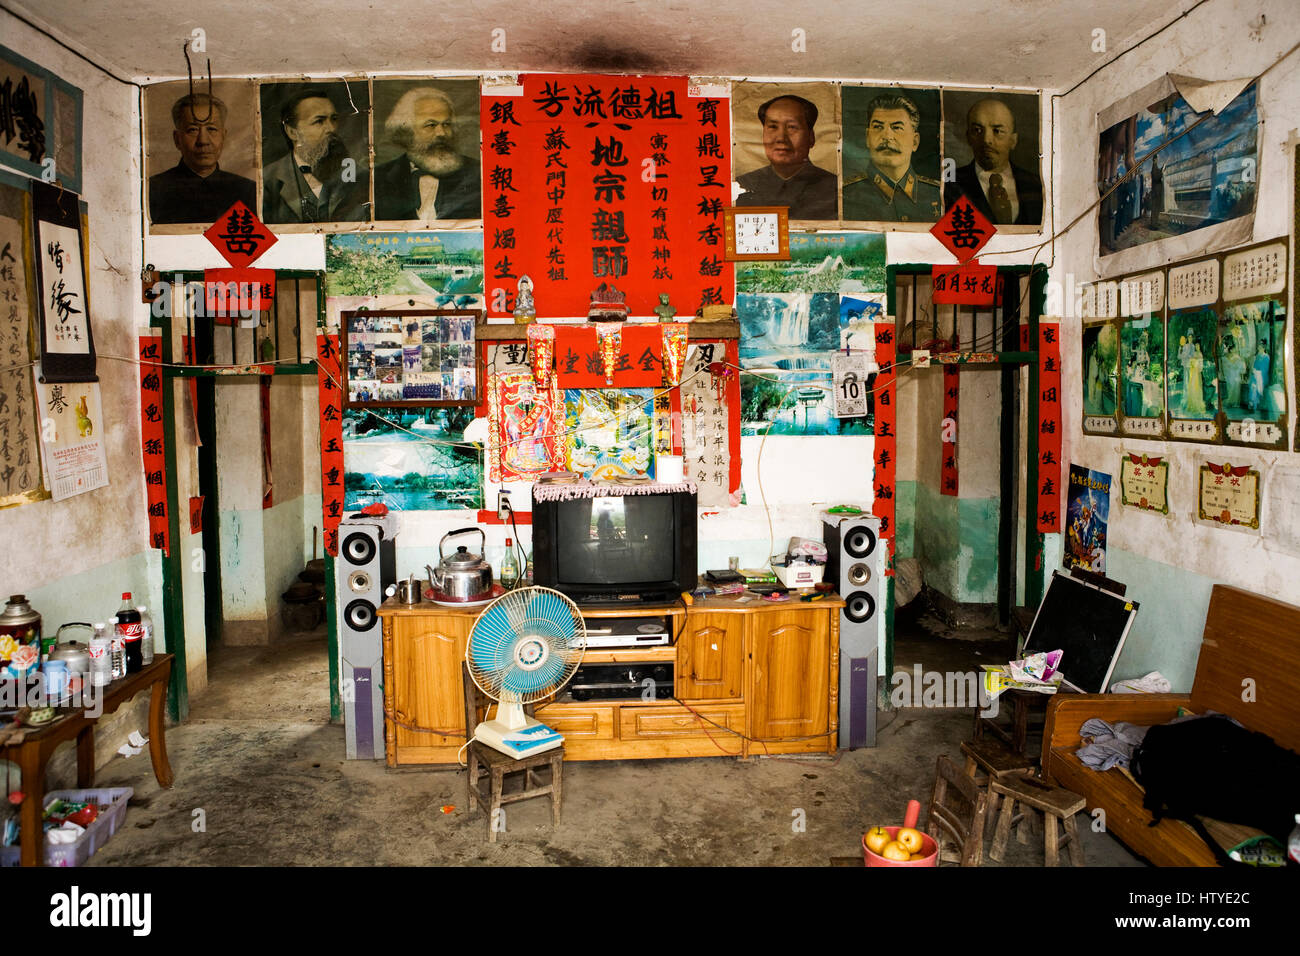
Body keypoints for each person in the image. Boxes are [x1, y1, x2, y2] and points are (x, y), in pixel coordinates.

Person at [262, 88, 368, 223]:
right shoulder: (267, 181)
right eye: (319, 121)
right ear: (292, 132)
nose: (331, 128)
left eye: (334, 119)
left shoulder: (359, 176)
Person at [374, 87, 480, 221]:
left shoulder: (478, 173)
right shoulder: (377, 180)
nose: (441, 133)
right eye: (431, 125)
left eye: (446, 124)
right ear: (407, 131)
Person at [148, 93, 256, 224]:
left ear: (224, 136)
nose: (203, 141)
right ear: (177, 139)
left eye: (211, 129)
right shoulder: (153, 190)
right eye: (193, 130)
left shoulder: (247, 191)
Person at [735, 95, 837, 220]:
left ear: (811, 137)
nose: (781, 138)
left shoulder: (834, 189)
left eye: (792, 127)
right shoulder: (742, 185)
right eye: (773, 127)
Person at [943, 97, 1043, 225]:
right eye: (977, 130)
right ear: (968, 137)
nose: (986, 140)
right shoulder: (948, 186)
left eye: (998, 131)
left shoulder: (1036, 186)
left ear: (1013, 140)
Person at [842, 94, 941, 222]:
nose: (887, 136)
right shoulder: (845, 196)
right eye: (878, 127)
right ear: (867, 137)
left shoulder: (938, 194)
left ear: (915, 142)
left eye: (897, 128)